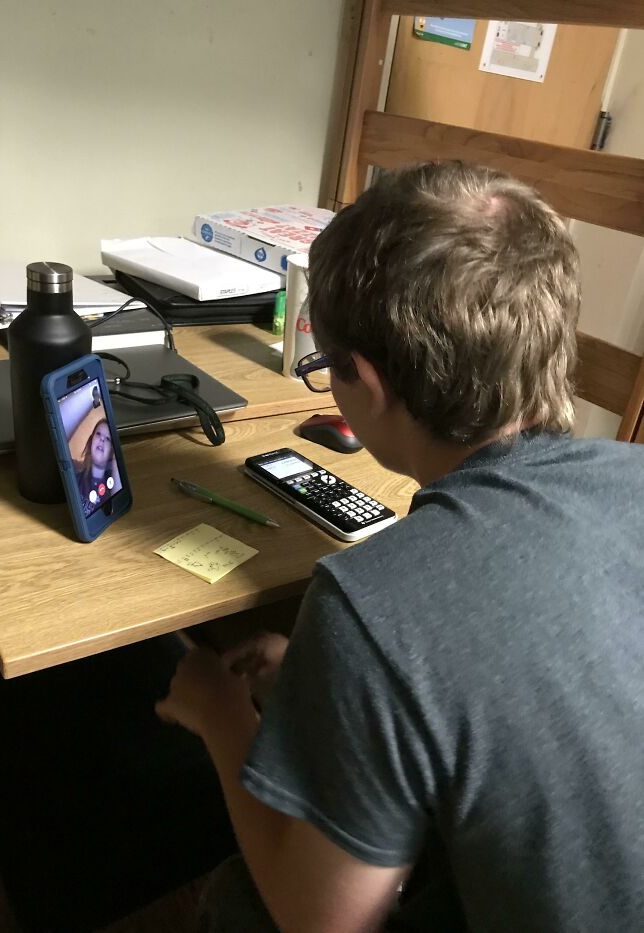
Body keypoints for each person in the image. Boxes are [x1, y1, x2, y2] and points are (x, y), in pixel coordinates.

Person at [156, 162, 644, 932]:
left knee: (239, 905)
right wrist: (346, 695)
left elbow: (324, 922)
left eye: (326, 368)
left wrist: (222, 716)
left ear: (369, 388)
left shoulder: (371, 601)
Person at [73, 418, 116, 516]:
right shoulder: (75, 477)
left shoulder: (113, 487)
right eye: (98, 434)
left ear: (111, 451)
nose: (102, 439)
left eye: (108, 439)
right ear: (91, 441)